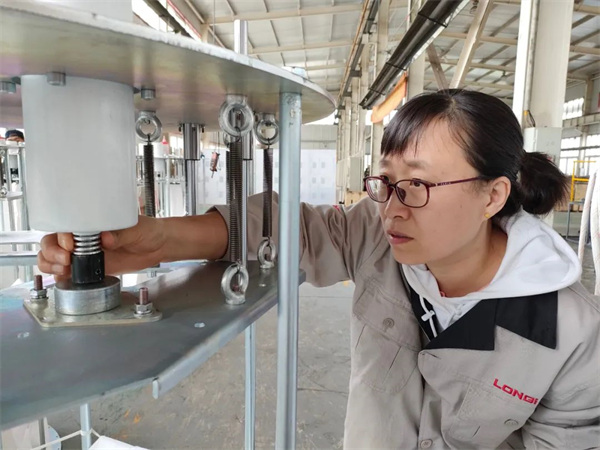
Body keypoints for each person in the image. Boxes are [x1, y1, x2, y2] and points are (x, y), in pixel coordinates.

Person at [39, 90, 600, 448]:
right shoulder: (379, 235)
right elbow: (290, 230)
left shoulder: (569, 331)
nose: (392, 207)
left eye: (418, 184)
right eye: (386, 181)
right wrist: (150, 241)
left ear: (492, 196)